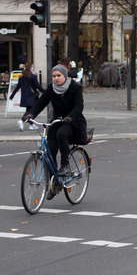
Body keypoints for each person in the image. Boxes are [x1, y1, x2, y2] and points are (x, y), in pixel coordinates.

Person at [23, 65, 87, 198]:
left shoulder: (75, 87)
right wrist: (31, 115)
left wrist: (70, 116)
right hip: (57, 121)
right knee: (49, 152)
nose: (56, 78)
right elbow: (41, 102)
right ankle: (56, 183)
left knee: (61, 134)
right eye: (54, 76)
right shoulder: (52, 88)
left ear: (65, 76)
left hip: (73, 121)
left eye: (59, 76)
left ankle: (65, 165)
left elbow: (79, 105)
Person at [10, 64, 45, 131]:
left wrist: (12, 95)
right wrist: (45, 92)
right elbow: (38, 86)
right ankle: (22, 121)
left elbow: (17, 87)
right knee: (31, 110)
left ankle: (31, 124)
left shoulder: (21, 77)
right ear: (30, 68)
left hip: (24, 96)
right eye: (32, 67)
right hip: (32, 96)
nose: (33, 68)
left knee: (28, 110)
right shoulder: (33, 76)